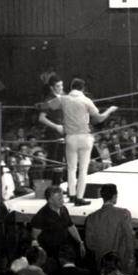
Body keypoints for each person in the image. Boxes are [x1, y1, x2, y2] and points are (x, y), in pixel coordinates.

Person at [42, 78, 118, 206]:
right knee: (82, 169)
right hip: (84, 137)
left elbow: (46, 105)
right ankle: (79, 197)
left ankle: (71, 195)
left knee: (71, 168)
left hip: (71, 137)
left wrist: (38, 105)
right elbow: (99, 118)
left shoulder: (64, 99)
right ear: (83, 88)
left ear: (71, 87)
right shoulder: (86, 100)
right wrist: (110, 110)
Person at [85, 183, 135, 275]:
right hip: (121, 264)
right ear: (115, 196)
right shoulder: (124, 214)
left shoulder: (91, 217)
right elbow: (129, 238)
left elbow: (89, 244)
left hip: (101, 265)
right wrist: (130, 258)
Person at [30, 186, 86, 262]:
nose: (62, 201)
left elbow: (70, 226)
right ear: (50, 200)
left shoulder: (64, 209)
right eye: (59, 199)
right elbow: (34, 237)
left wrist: (80, 242)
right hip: (51, 255)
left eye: (62, 198)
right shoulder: (41, 215)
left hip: (64, 251)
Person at [38, 74, 66, 185]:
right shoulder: (49, 99)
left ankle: (57, 185)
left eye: (62, 85)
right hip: (53, 133)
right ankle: (47, 187)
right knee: (52, 160)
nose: (61, 88)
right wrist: (56, 126)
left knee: (60, 160)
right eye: (58, 86)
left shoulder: (63, 95)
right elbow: (41, 118)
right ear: (52, 88)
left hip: (63, 132)